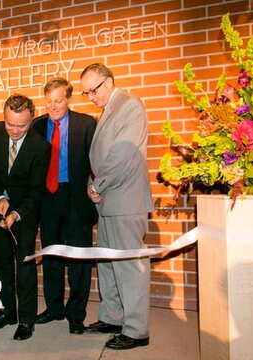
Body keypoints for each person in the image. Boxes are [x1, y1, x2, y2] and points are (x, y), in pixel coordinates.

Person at [80, 63, 154, 350]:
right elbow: (99, 158)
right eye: (85, 93)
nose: (90, 97)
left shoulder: (130, 106)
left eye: (93, 90)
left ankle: (136, 330)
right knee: (108, 263)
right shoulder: (108, 110)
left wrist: (98, 185)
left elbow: (123, 156)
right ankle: (112, 317)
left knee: (129, 267)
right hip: (109, 201)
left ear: (108, 82)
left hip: (124, 201)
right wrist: (92, 183)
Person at [0, 94, 50, 341]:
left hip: (24, 213)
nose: (15, 130)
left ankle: (27, 319)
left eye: (22, 126)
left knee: (24, 267)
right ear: (4, 117)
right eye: (10, 124)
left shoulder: (40, 146)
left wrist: (17, 213)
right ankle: (8, 313)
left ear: (31, 120)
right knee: (1, 263)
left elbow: (36, 190)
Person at [31, 78, 97, 335]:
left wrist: (95, 187)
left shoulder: (86, 124)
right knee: (51, 256)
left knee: (79, 259)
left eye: (58, 100)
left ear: (68, 99)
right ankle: (54, 308)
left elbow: (96, 161)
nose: (53, 106)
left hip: (75, 196)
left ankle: (76, 314)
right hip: (48, 197)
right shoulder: (37, 126)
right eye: (49, 101)